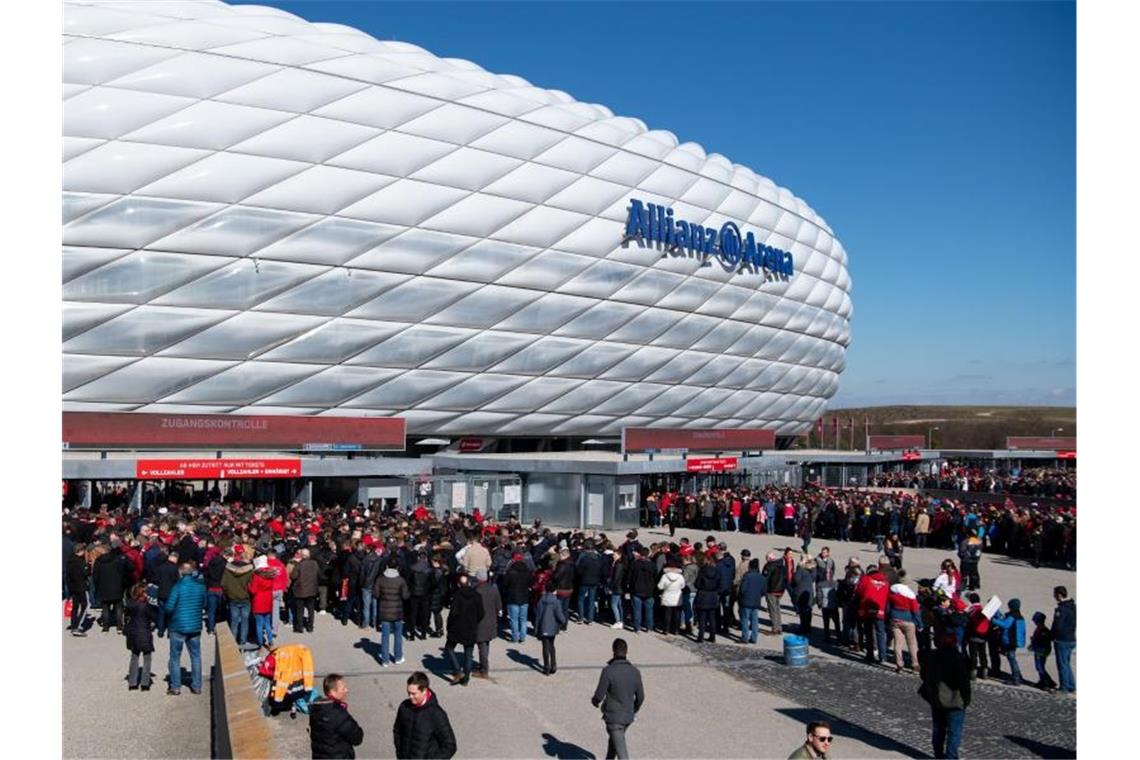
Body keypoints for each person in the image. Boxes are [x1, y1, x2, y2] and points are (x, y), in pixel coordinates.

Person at [919, 633, 972, 759]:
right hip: (955, 701)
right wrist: (966, 699)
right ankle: (951, 756)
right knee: (954, 731)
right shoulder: (958, 658)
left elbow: (924, 675)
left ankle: (938, 754)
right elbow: (964, 682)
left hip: (936, 699)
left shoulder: (931, 656)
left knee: (939, 728)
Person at [591, 638, 645, 760]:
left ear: (613, 651)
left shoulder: (608, 671)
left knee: (622, 754)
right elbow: (641, 697)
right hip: (628, 717)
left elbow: (599, 695)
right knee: (614, 744)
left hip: (613, 718)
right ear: (626, 652)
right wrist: (633, 709)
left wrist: (594, 701)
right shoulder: (635, 671)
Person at [164, 560, 206, 696]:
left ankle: (175, 687)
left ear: (181, 572)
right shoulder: (200, 587)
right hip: (194, 625)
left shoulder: (177, 587)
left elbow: (169, 607)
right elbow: (204, 604)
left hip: (178, 625)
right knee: (196, 656)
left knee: (175, 657)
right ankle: (197, 686)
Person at [393, 671, 457, 759]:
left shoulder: (436, 714)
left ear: (424, 691)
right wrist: (400, 754)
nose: (410, 696)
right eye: (408, 693)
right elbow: (397, 731)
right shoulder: (404, 707)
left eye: (414, 694)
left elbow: (450, 746)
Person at [309, 673, 365, 759]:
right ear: (333, 692)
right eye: (343, 688)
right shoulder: (338, 714)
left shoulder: (316, 709)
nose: (346, 690)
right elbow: (357, 737)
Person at [444, 573, 484, 686]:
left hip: (457, 627)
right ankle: (466, 678)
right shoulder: (477, 596)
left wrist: (449, 626)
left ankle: (458, 670)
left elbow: (453, 614)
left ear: (458, 584)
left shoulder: (457, 596)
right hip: (471, 627)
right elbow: (481, 613)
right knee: (468, 653)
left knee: (449, 648)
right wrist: (475, 621)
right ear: (469, 583)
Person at [375, 557, 410, 667]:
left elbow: (376, 594)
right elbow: (405, 596)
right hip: (397, 611)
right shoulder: (401, 580)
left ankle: (385, 660)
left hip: (384, 610)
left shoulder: (380, 579)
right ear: (397, 567)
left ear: (386, 566)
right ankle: (398, 657)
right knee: (398, 635)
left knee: (385, 636)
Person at [123, 582, 155, 691]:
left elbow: (126, 617)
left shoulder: (130, 604)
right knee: (147, 658)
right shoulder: (146, 606)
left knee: (134, 657)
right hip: (144, 632)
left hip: (133, 632)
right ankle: (145, 683)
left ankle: (132, 682)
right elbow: (153, 617)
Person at [221, 545, 254, 648]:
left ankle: (233, 640)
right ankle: (243, 641)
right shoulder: (249, 570)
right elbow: (252, 584)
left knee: (234, 620)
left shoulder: (228, 569)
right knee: (245, 620)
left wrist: (228, 592)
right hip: (245, 597)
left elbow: (223, 583)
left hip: (233, 597)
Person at [472, 569, 501, 679]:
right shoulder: (493, 589)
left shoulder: (476, 590)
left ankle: (484, 669)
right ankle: (483, 665)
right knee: (486, 644)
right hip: (491, 620)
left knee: (482, 645)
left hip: (480, 621)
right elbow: (498, 605)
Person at [534, 581, 567, 675]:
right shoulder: (556, 601)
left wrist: (536, 628)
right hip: (552, 627)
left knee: (545, 646)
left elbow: (538, 615)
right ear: (554, 590)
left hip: (543, 627)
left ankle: (546, 667)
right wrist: (563, 621)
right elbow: (559, 615)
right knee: (552, 645)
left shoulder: (541, 600)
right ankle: (553, 664)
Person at [502, 554, 533, 643]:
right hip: (524, 597)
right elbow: (531, 583)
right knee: (523, 619)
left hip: (512, 598)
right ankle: (522, 637)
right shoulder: (527, 571)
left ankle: (515, 637)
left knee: (514, 619)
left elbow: (505, 584)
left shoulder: (510, 571)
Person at [248, 554, 277, 648]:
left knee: (259, 624)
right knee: (267, 624)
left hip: (258, 602)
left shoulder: (257, 577)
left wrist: (249, 585)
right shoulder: (271, 576)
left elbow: (253, 590)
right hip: (268, 601)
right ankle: (271, 642)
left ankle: (260, 643)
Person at [1052, 585, 1076, 693]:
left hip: (1062, 640)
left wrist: (1052, 635)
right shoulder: (1072, 606)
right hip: (1071, 638)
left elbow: (1058, 626)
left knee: (1062, 664)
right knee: (1066, 663)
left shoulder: (1061, 609)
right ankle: (1071, 685)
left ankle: (1064, 687)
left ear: (1059, 595)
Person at [291, 548, 320, 633]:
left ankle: (300, 627)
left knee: (300, 610)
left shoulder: (299, 564)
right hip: (312, 589)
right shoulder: (315, 563)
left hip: (300, 589)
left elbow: (293, 576)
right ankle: (310, 627)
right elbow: (318, 574)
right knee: (311, 609)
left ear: (302, 556)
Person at [737, 558, 766, 645]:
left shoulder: (747, 576)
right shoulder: (761, 577)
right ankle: (754, 637)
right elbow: (764, 590)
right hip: (756, 601)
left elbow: (742, 589)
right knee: (755, 620)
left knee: (745, 619)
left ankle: (745, 637)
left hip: (746, 601)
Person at [153, 550, 181, 638]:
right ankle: (170, 631)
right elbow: (178, 581)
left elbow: (155, 579)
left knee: (161, 613)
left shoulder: (160, 567)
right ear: (175, 558)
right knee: (171, 613)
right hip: (171, 594)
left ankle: (160, 631)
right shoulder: (175, 568)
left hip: (161, 593)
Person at [1029, 611, 1057, 690]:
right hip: (1040, 650)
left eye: (1035, 621)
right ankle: (1043, 681)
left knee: (1040, 667)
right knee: (1039, 667)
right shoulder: (1040, 629)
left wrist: (1034, 642)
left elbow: (1042, 641)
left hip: (1041, 651)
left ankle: (1048, 682)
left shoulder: (1043, 630)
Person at [66, 542, 90, 636]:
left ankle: (73, 625)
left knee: (75, 606)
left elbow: (67, 576)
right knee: (86, 605)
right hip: (81, 586)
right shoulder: (80, 562)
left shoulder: (69, 561)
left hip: (73, 587)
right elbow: (85, 573)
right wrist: (88, 567)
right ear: (80, 551)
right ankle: (77, 626)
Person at [656, 560, 685, 636]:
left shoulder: (665, 576)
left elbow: (660, 586)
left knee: (667, 615)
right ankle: (676, 630)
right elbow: (683, 586)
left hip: (667, 597)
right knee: (676, 615)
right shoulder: (680, 576)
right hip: (677, 598)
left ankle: (666, 630)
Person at [762, 551, 786, 635]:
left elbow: (765, 579)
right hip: (780, 590)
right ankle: (779, 627)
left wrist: (762, 590)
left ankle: (775, 628)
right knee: (777, 609)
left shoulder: (769, 566)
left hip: (771, 590)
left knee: (772, 609)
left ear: (768, 558)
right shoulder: (782, 566)